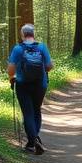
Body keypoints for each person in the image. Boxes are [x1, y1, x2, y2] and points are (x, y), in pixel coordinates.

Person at [8, 24, 53, 155]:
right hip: (41, 84)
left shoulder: (18, 49)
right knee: (36, 109)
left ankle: (32, 141)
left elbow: (11, 70)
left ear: (22, 35)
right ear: (34, 34)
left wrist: (13, 76)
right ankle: (34, 139)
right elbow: (49, 66)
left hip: (23, 85)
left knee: (27, 112)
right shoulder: (42, 47)